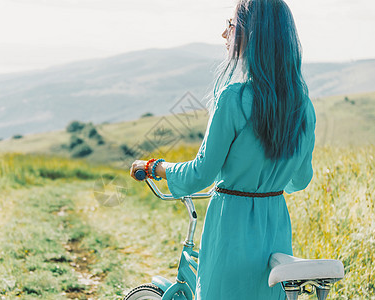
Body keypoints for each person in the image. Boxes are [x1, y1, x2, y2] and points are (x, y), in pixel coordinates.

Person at [130, 0, 316, 298]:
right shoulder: (303, 106)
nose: (223, 35)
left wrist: (156, 167)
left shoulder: (233, 99)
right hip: (276, 227)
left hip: (231, 227)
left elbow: (201, 173)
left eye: (230, 26)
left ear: (249, 35)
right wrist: (270, 176)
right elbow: (300, 180)